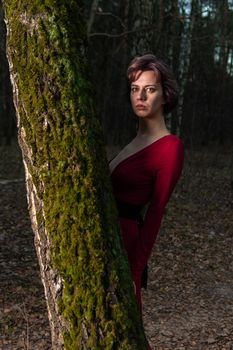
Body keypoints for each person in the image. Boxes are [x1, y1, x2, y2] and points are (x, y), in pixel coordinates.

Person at [109, 54, 184, 350]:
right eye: (134, 88)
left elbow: (156, 213)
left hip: (127, 246)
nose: (139, 96)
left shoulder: (170, 148)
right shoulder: (133, 141)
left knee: (129, 333)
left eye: (149, 89)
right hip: (104, 238)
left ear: (165, 95)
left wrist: (136, 268)